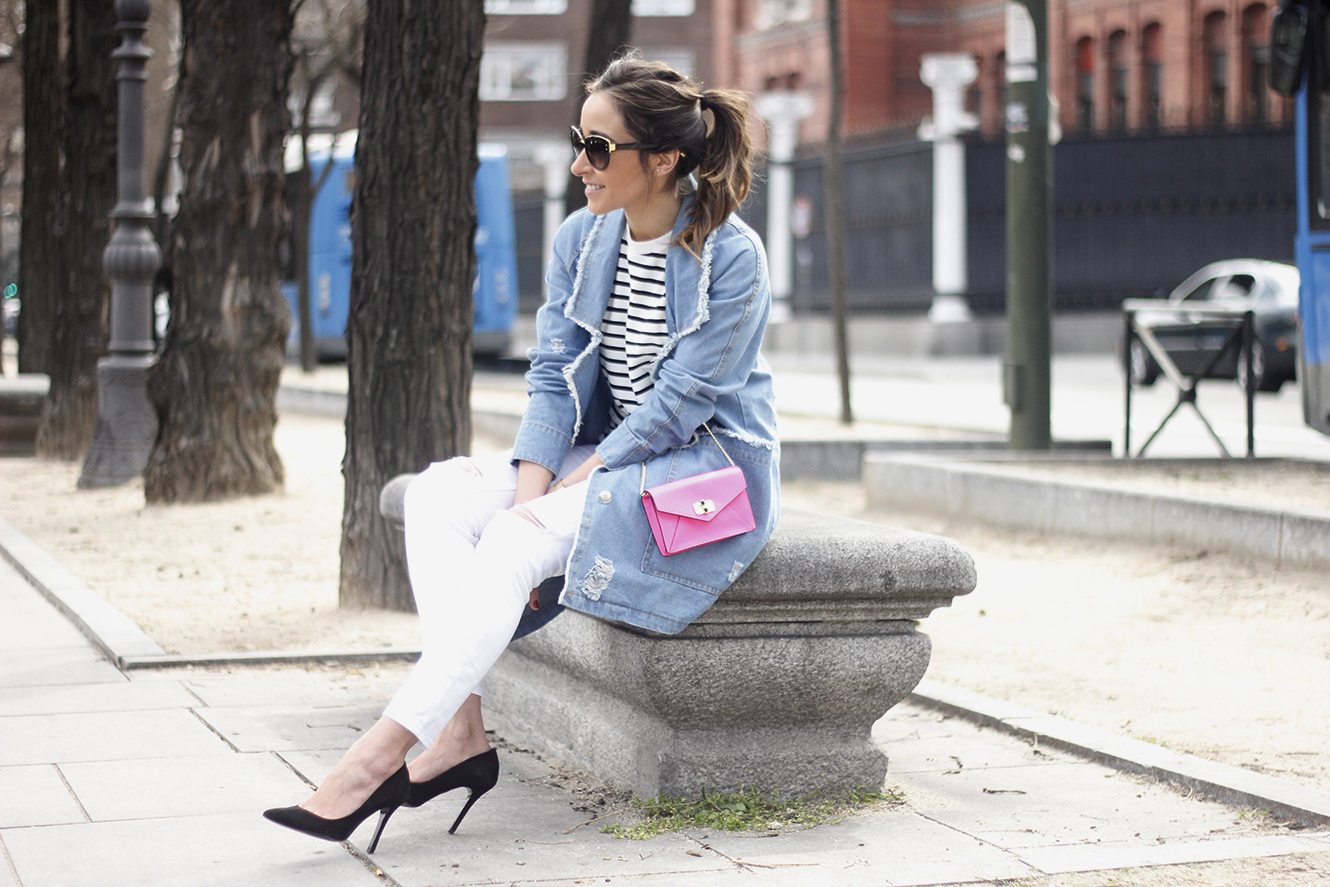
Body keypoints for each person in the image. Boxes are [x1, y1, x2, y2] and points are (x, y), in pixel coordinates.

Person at [263, 54, 780, 853]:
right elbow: (553, 372)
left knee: (514, 537)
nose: (579, 162)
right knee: (438, 494)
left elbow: (681, 407)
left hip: (697, 475)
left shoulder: (731, 257)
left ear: (664, 160)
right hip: (599, 457)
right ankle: (461, 732)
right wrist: (532, 485)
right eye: (581, 140)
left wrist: (561, 490)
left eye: (600, 149)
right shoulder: (583, 238)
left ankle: (373, 761)